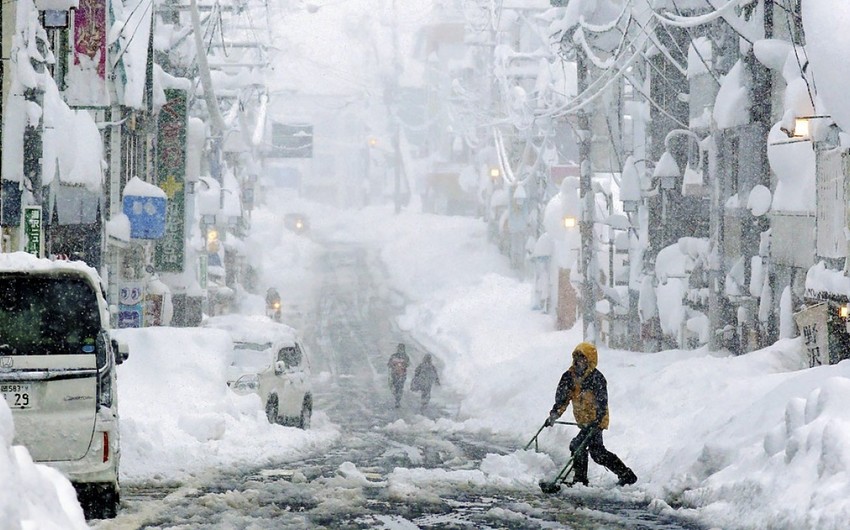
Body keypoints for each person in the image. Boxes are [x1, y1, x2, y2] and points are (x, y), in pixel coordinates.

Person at [544, 342, 637, 487]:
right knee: (598, 454)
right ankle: (626, 475)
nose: (579, 362)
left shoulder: (596, 378)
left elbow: (602, 402)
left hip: (596, 421)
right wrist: (554, 414)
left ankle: (580, 481)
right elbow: (563, 399)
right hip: (584, 421)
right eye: (577, 358)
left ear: (589, 360)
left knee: (577, 445)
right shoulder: (569, 377)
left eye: (582, 358)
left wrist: (598, 419)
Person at [387, 343, 410, 408]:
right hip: (402, 375)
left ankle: (396, 396)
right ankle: (398, 400)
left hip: (394, 374)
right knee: (400, 387)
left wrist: (394, 365)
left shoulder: (394, 356)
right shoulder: (406, 356)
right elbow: (407, 365)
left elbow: (389, 364)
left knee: (395, 386)